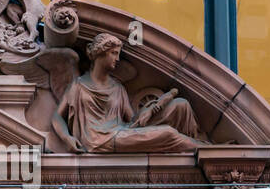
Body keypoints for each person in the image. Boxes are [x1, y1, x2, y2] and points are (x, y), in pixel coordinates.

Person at [52, 33, 204, 153]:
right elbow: (57, 116)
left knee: (181, 105)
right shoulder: (79, 85)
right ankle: (202, 148)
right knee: (168, 133)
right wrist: (66, 138)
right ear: (101, 53)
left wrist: (150, 109)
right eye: (114, 53)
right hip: (99, 140)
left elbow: (133, 121)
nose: (118, 59)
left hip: (121, 132)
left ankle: (197, 148)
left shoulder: (118, 88)